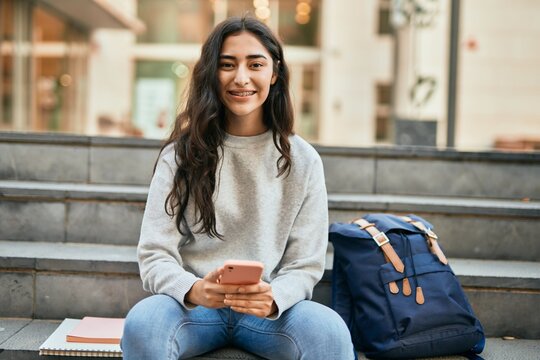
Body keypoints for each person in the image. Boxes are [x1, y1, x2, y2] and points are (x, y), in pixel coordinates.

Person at [121, 15, 355, 360]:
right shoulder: (181, 155)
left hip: (269, 313)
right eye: (227, 65)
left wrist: (273, 296)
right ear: (211, 74)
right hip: (193, 309)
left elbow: (305, 265)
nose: (241, 78)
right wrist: (194, 289)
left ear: (274, 74)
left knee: (330, 332)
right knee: (143, 324)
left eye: (255, 64)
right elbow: (154, 253)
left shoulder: (303, 160)